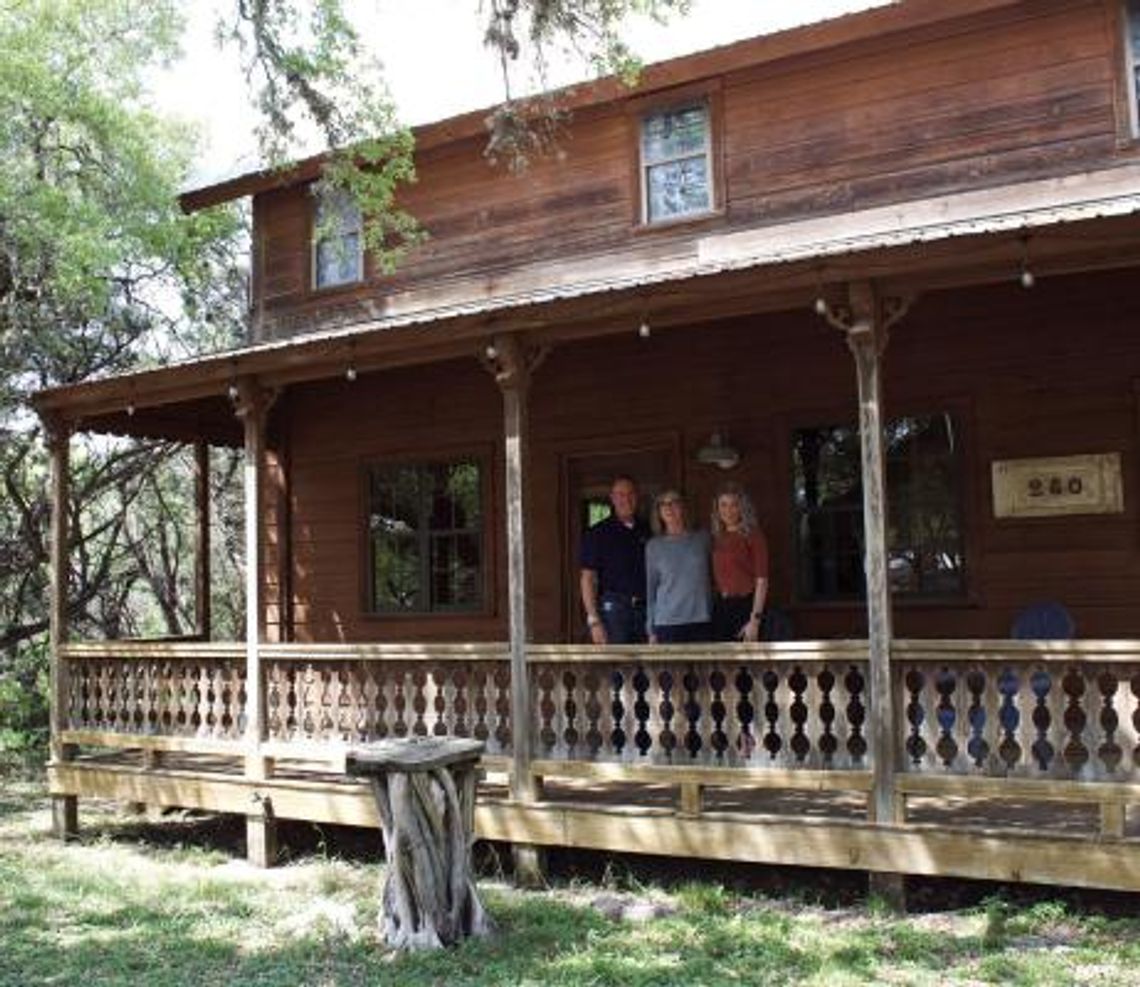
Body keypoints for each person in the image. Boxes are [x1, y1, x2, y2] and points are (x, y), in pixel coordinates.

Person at [579, 475, 651, 644]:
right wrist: (594, 621)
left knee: (648, 667)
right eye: (621, 494)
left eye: (631, 494)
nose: (626, 499)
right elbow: (587, 578)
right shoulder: (597, 533)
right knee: (619, 666)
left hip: (645, 609)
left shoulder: (647, 530)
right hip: (614, 610)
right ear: (612, 498)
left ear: (637, 497)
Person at [645, 489, 712, 643]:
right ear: (658, 511)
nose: (668, 507)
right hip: (667, 622)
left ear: (683, 507)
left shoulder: (702, 539)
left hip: (700, 618)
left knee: (702, 668)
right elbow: (651, 588)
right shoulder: (653, 546)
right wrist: (650, 628)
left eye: (673, 502)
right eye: (663, 504)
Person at [710, 482, 769, 642]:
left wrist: (755, 620)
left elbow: (762, 580)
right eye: (723, 505)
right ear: (717, 509)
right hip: (721, 607)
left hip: (747, 606)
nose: (728, 510)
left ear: (742, 508)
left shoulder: (753, 535)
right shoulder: (716, 536)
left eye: (734, 505)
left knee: (746, 664)